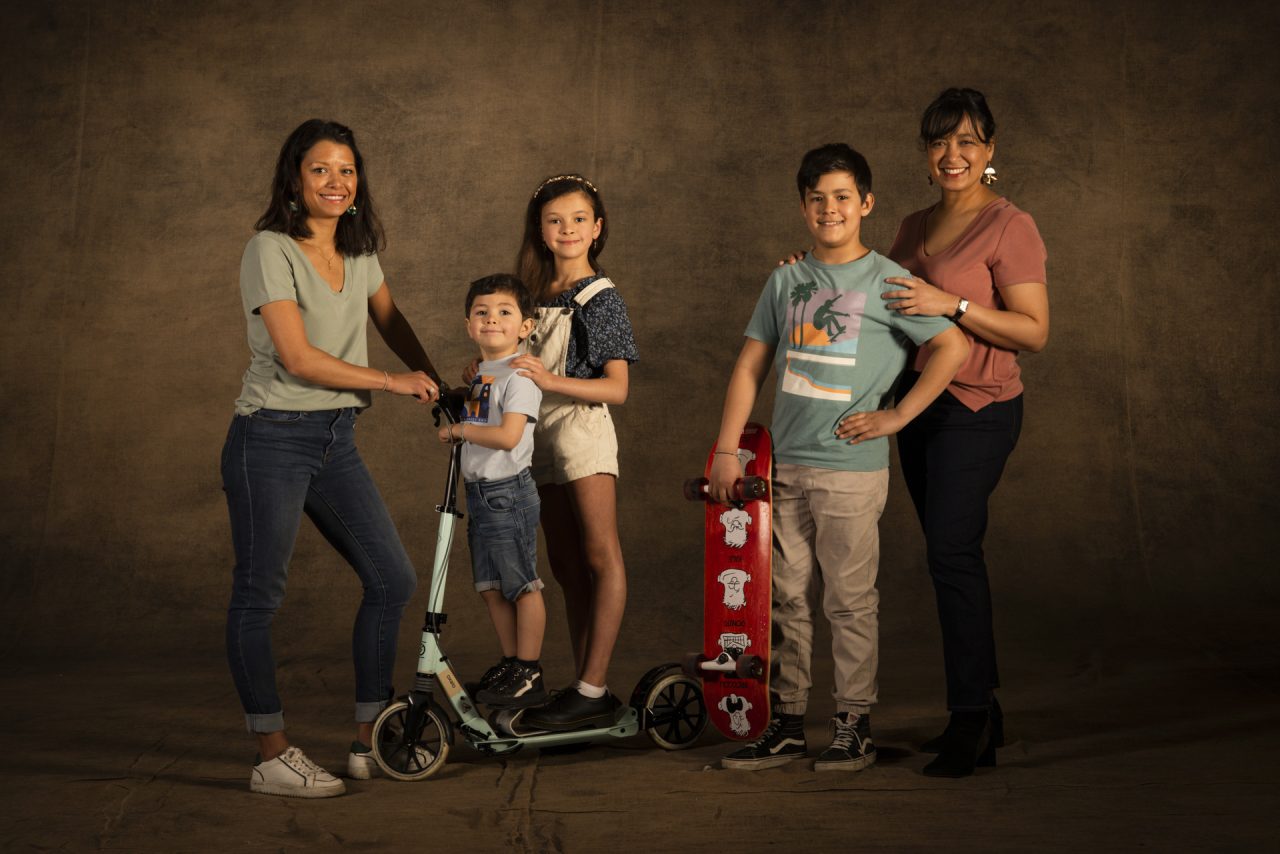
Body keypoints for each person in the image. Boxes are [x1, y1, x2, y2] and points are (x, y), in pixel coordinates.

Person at [710, 144, 969, 772]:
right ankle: (788, 723)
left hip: (851, 469)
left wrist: (897, 417)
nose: (830, 209)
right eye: (817, 198)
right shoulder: (785, 280)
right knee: (787, 601)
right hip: (781, 468)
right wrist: (726, 449)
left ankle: (854, 724)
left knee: (849, 602)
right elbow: (750, 366)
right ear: (803, 207)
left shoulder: (888, 281)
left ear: (866, 203)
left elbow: (952, 347)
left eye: (843, 197)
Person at [222, 119, 441, 798]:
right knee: (259, 595)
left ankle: (368, 737)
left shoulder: (359, 252)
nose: (336, 182)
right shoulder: (269, 249)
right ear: (295, 179)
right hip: (270, 437)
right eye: (320, 169)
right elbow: (297, 357)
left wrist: (440, 385)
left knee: (392, 579)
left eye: (347, 170)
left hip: (334, 438)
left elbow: (390, 320)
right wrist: (393, 382)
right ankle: (270, 754)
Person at [883, 88, 1049, 777]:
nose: (953, 155)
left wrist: (951, 302)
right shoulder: (911, 225)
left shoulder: (1011, 225)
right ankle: (988, 710)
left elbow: (1033, 331)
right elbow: (882, 310)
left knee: (952, 553)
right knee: (945, 553)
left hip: (979, 407)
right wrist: (808, 275)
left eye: (968, 142)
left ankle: (970, 718)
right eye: (940, 142)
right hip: (918, 405)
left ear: (990, 152)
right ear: (926, 153)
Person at [505, 174, 639, 731]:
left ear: (597, 227)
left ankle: (593, 687)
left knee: (600, 556)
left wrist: (547, 379)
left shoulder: (599, 298)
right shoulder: (528, 296)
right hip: (537, 434)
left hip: (581, 429)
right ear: (540, 230)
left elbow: (617, 388)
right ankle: (585, 687)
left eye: (579, 219)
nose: (567, 229)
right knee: (564, 564)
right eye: (555, 220)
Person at [438, 274, 547, 709]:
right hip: (480, 493)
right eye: (481, 312)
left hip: (508, 494)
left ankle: (529, 671)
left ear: (525, 326)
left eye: (504, 312)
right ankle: (511, 661)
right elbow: (481, 417)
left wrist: (459, 431)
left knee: (522, 585)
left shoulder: (520, 375)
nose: (491, 319)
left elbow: (507, 436)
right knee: (490, 586)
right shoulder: (483, 372)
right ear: (469, 325)